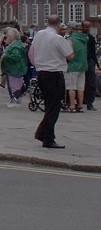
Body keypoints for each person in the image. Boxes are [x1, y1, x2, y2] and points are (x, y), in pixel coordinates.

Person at [31, 15, 74, 149]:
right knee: (53, 108)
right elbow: (70, 56)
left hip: (41, 73)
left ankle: (42, 133)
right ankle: (48, 139)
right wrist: (69, 44)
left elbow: (32, 51)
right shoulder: (58, 38)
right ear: (59, 25)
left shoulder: (39, 34)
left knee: (50, 106)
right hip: (54, 74)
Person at [0, 29, 28, 107]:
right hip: (12, 69)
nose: (6, 38)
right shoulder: (15, 45)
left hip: (15, 70)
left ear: (12, 37)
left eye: (7, 36)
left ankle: (16, 101)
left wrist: (6, 56)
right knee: (13, 85)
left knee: (15, 86)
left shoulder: (16, 46)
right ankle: (14, 100)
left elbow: (16, 57)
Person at [67, 23, 89, 113]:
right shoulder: (85, 39)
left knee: (72, 87)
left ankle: (72, 105)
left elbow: (69, 54)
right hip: (83, 65)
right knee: (80, 87)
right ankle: (80, 105)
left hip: (73, 66)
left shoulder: (70, 40)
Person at [82, 21, 98, 110]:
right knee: (80, 82)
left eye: (89, 27)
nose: (87, 29)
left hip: (89, 60)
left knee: (91, 82)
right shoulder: (78, 37)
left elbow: (93, 52)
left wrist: (96, 62)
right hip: (81, 61)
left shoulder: (91, 38)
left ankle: (90, 102)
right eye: (86, 27)